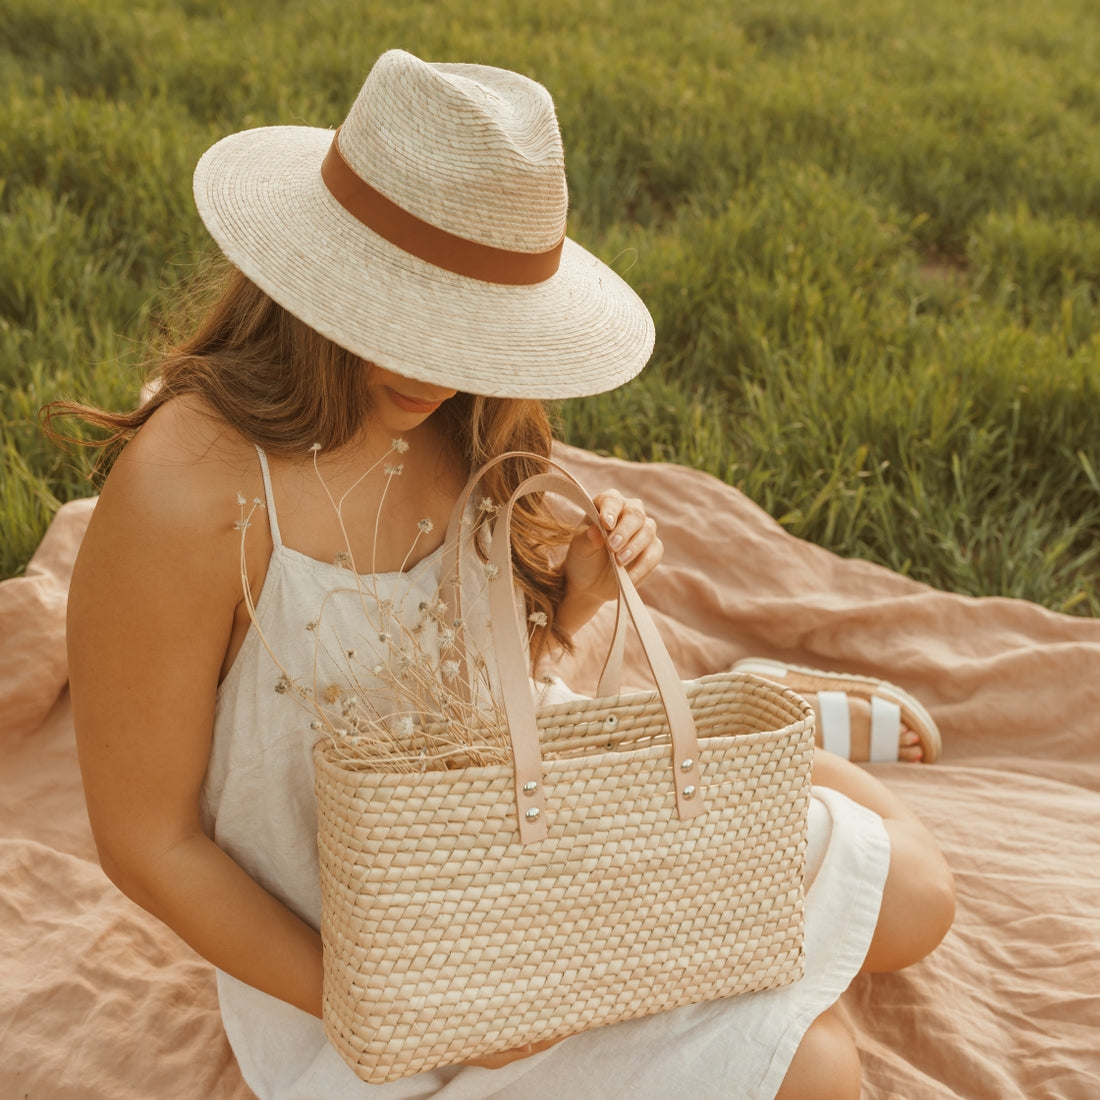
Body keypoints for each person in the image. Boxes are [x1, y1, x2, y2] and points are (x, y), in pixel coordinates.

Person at [56, 49, 954, 1100]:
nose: (433, 368)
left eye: (471, 328)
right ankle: (742, 748)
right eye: (405, 315)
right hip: (355, 951)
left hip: (525, 825)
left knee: (917, 902)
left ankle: (766, 726)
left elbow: (461, 683)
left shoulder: (464, 416)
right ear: (314, 269)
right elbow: (147, 839)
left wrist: (567, 601)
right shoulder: (186, 490)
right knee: (815, 1070)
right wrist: (393, 1004)